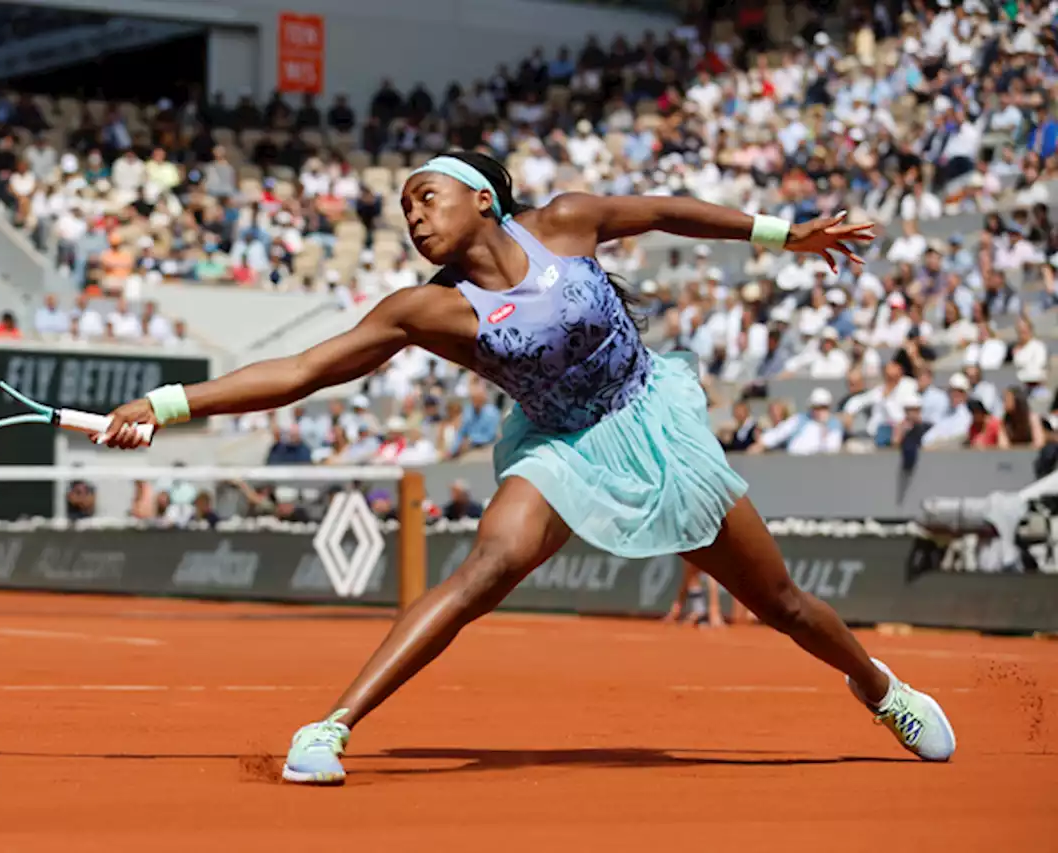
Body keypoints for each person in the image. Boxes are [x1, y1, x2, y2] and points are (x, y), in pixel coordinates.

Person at [98, 150, 956, 784]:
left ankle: (881, 687)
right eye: (406, 209)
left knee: (782, 603)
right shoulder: (428, 309)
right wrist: (169, 404)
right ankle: (330, 727)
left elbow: (665, 209)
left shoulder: (567, 222)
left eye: (425, 197)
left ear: (481, 198)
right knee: (486, 565)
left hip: (652, 421)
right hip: (560, 448)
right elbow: (299, 372)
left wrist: (786, 236)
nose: (414, 216)